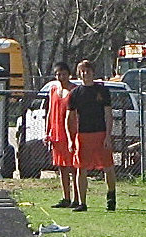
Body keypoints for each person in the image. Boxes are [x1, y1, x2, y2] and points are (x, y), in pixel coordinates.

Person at [65, 59, 117, 212]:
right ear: (78, 74)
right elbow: (70, 118)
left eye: (88, 71)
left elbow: (108, 115)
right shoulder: (75, 94)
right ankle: (82, 202)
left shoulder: (102, 91)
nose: (85, 74)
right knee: (81, 169)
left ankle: (111, 197)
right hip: (83, 135)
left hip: (100, 133)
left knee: (108, 167)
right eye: (82, 72)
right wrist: (70, 138)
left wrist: (108, 135)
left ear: (93, 73)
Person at [45, 62, 80, 208]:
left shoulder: (74, 91)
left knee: (74, 167)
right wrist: (47, 132)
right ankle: (65, 197)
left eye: (63, 74)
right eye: (58, 74)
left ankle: (77, 198)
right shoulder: (53, 90)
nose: (61, 77)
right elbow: (50, 112)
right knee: (61, 167)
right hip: (57, 133)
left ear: (69, 75)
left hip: (71, 133)